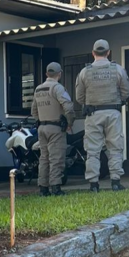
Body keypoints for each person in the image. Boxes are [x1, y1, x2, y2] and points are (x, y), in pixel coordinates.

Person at [75, 39, 129, 193]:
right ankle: (115, 182)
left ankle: (93, 184)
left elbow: (79, 97)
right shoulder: (118, 70)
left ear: (93, 53)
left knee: (92, 150)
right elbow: (126, 92)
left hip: (93, 114)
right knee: (115, 147)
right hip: (113, 112)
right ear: (108, 52)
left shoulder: (84, 72)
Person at [31, 62, 75, 196]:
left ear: (46, 74)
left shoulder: (38, 89)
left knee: (44, 158)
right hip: (56, 128)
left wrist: (40, 120)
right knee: (56, 158)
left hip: (42, 128)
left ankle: (43, 189)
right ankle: (56, 188)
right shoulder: (58, 88)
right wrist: (69, 122)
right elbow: (68, 107)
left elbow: (34, 110)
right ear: (59, 74)